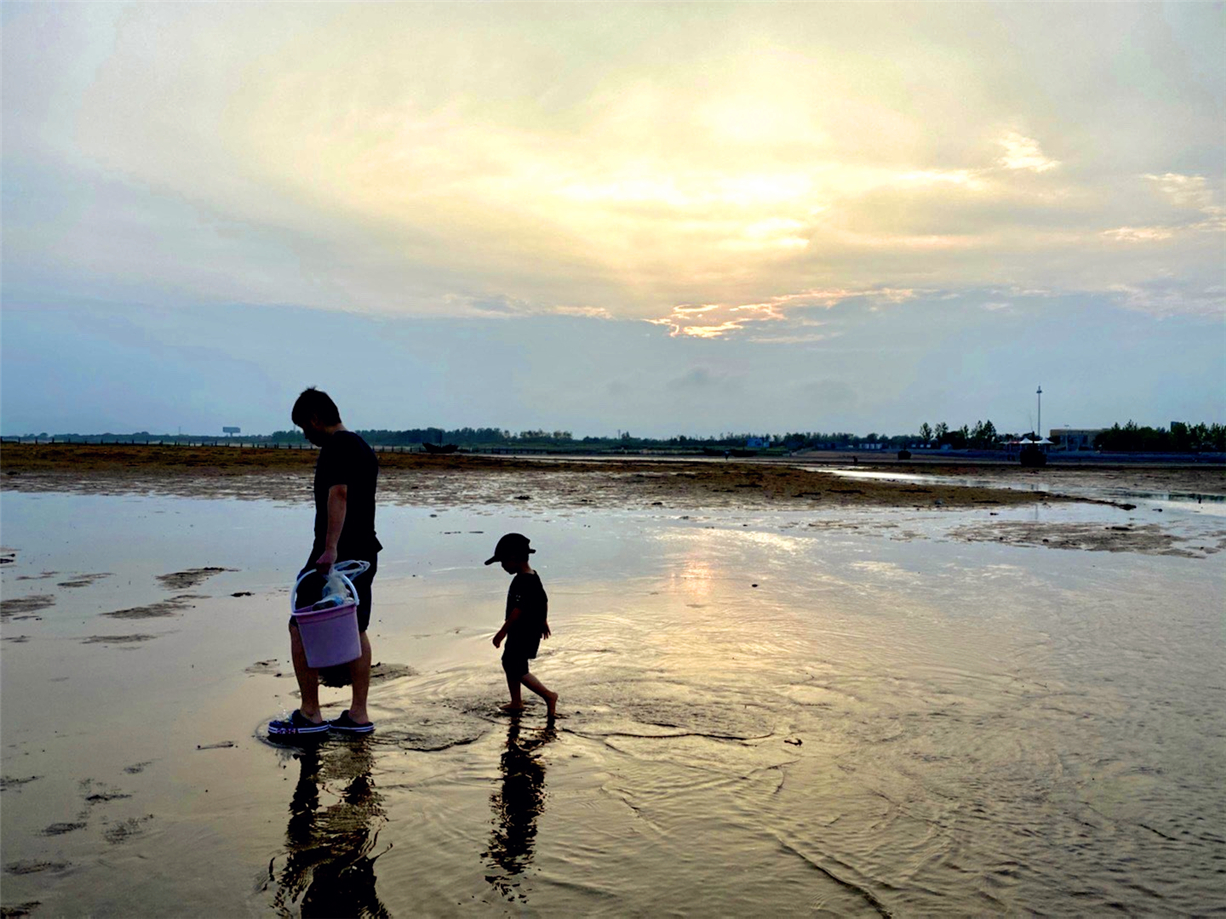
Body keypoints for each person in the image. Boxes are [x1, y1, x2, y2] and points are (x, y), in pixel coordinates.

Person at [269, 388, 382, 738]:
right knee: (356, 628)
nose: (305, 435)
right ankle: (358, 714)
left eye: (304, 427)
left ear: (316, 418)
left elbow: (340, 492)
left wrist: (330, 548)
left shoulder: (337, 446)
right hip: (365, 552)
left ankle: (310, 714)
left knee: (299, 624)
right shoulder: (363, 447)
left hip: (338, 556)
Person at [486, 533, 558, 720]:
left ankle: (548, 696)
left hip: (522, 629)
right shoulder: (532, 576)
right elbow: (543, 599)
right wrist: (543, 620)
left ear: (514, 558)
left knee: (516, 667)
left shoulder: (523, 581)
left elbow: (518, 610)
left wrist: (502, 632)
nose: (502, 567)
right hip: (528, 628)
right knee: (510, 663)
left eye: (502, 562)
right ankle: (516, 702)